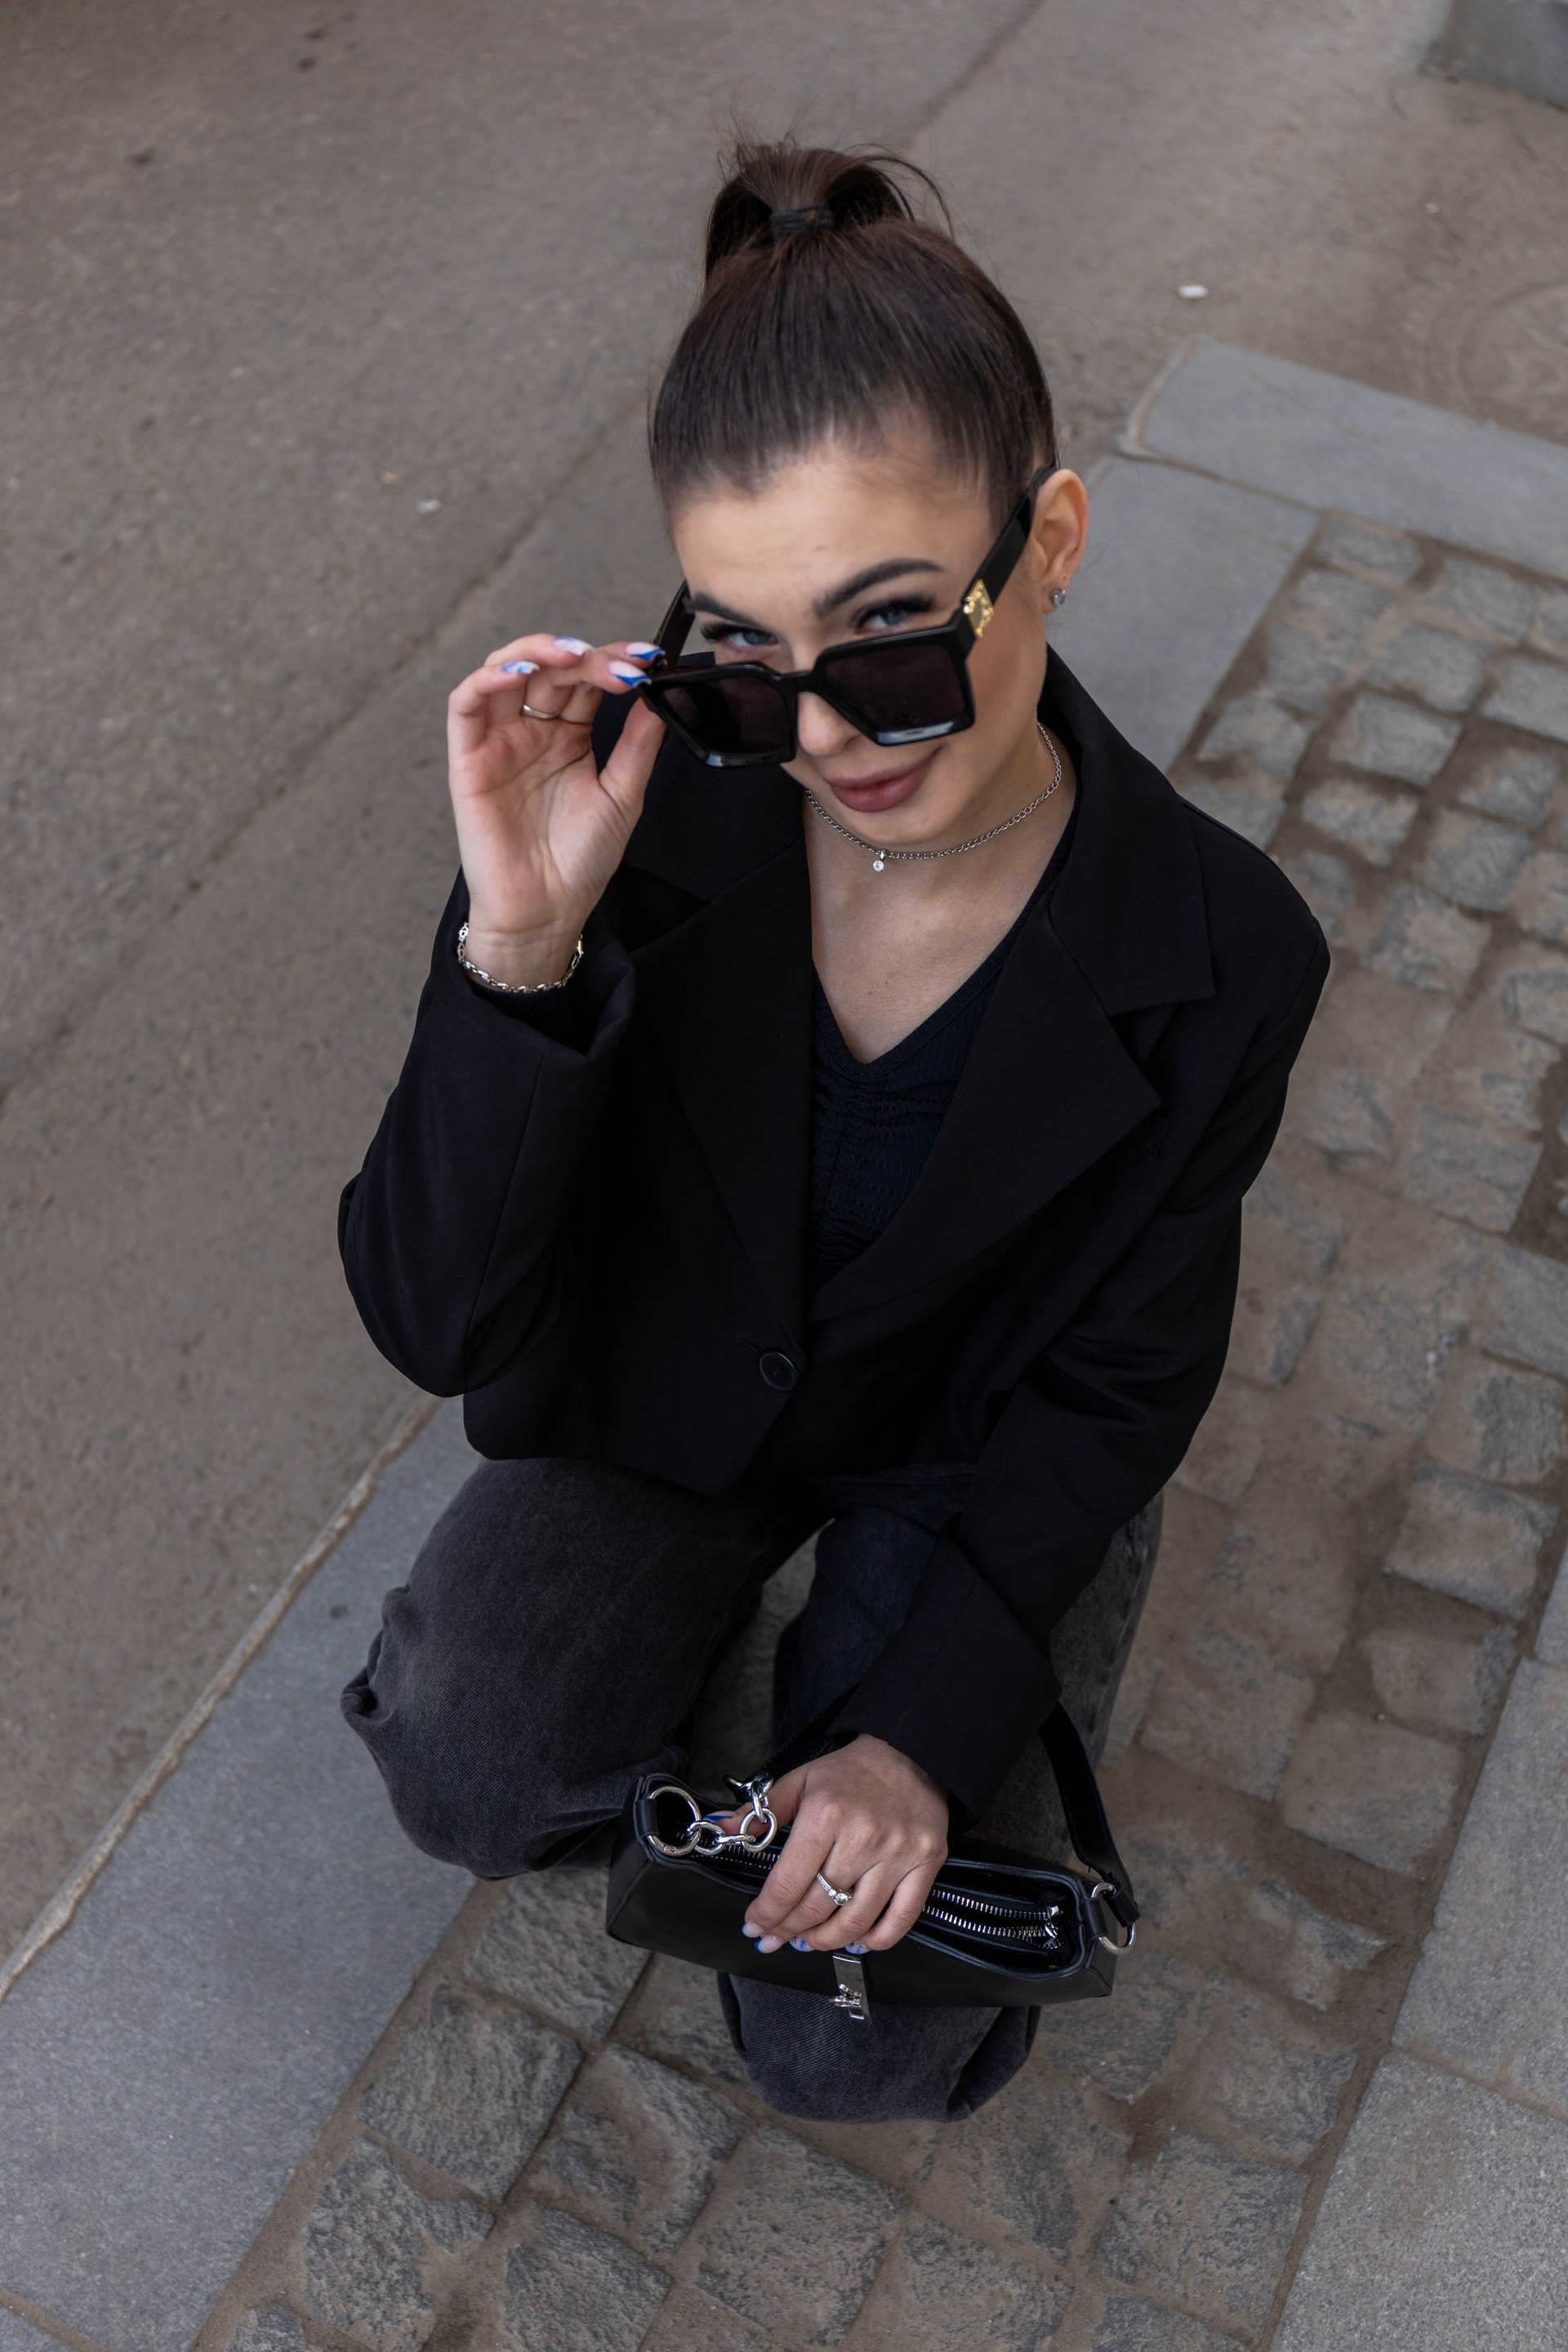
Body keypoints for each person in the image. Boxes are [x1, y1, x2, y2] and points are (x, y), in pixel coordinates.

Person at [337, 139, 1328, 2124]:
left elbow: (1115, 1387)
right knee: (461, 1770)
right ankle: (747, 1675)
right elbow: (436, 1322)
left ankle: (887, 1688)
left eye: (889, 639)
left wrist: (916, 1738)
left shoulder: (1224, 951)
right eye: (743, 661)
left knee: (851, 2043)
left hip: (967, 1446)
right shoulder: (643, 810)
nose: (824, 737)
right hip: (667, 1407)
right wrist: (520, 952)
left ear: (1052, 542)